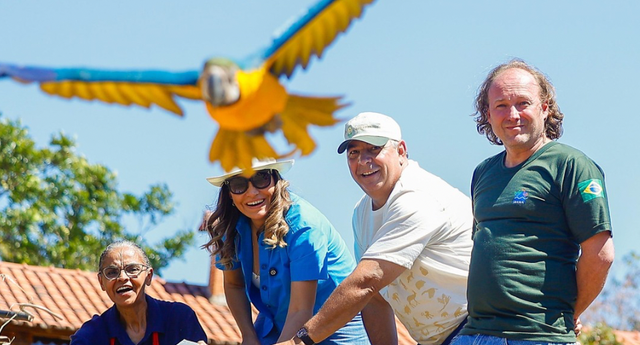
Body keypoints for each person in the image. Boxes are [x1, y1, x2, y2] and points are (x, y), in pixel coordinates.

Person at [452, 59, 614, 345]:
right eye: (500, 105)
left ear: (544, 108)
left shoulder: (571, 165)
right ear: (487, 114)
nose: (512, 114)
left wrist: (570, 313)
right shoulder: (483, 173)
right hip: (474, 334)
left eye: (523, 103)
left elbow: (600, 254)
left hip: (537, 335)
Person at [277, 112, 473, 345]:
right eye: (354, 153)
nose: (363, 161)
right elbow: (374, 298)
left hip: (480, 329)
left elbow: (367, 280)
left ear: (401, 150)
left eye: (373, 149)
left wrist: (300, 341)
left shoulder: (416, 197)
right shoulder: (362, 212)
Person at [204, 158, 370, 345]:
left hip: (335, 332)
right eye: (238, 184)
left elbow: (301, 310)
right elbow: (235, 285)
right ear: (229, 194)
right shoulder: (230, 229)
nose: (252, 192)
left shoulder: (304, 227)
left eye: (261, 179)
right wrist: (248, 336)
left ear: (276, 180)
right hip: (277, 327)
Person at [70, 241, 208, 345]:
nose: (122, 277)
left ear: (149, 276)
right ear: (101, 282)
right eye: (112, 272)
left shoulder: (179, 319)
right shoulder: (91, 336)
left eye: (132, 269)